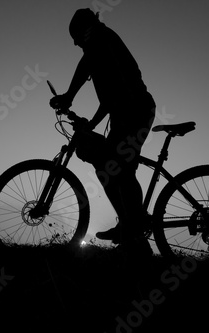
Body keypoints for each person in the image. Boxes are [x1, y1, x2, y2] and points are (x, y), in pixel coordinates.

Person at [49, 8, 155, 254]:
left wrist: (91, 122)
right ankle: (129, 225)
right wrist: (68, 97)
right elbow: (84, 68)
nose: (76, 44)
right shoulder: (96, 47)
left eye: (77, 38)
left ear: (86, 31)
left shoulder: (105, 42)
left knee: (122, 168)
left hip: (135, 111)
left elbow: (112, 97)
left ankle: (135, 235)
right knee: (106, 167)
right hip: (125, 114)